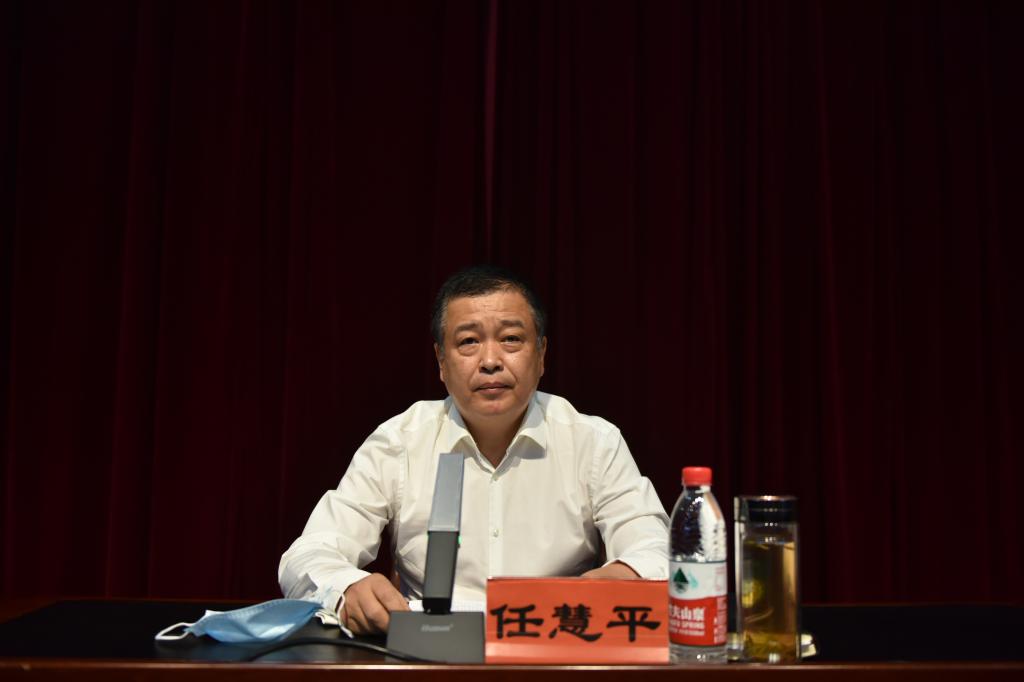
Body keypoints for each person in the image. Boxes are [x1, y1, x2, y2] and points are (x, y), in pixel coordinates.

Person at [279, 265, 668, 634]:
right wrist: (348, 588)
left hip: (555, 648)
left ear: (541, 355)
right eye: (468, 341)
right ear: (441, 362)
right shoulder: (399, 442)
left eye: (511, 339)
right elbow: (307, 556)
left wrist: (622, 576)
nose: (491, 361)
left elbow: (658, 550)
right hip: (431, 653)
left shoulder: (593, 443)